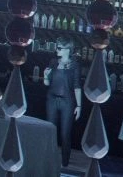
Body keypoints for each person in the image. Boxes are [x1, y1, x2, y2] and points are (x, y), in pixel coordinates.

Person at [44, 36, 82, 167]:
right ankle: (48, 160)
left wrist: (79, 105)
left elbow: (77, 86)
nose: (57, 50)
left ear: (68, 50)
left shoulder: (74, 65)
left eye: (59, 48)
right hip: (52, 99)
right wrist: (45, 76)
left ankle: (65, 163)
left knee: (65, 134)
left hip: (67, 101)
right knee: (50, 131)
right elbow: (47, 83)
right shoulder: (53, 62)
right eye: (57, 47)